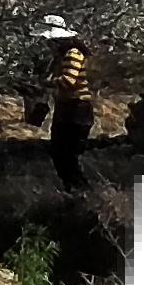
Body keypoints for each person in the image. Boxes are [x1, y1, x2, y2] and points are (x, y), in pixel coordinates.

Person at [32, 15, 97, 187]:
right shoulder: (60, 57)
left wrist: (44, 83)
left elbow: (68, 81)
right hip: (67, 109)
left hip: (76, 110)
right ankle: (76, 194)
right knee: (60, 155)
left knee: (66, 156)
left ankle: (83, 194)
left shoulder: (73, 54)